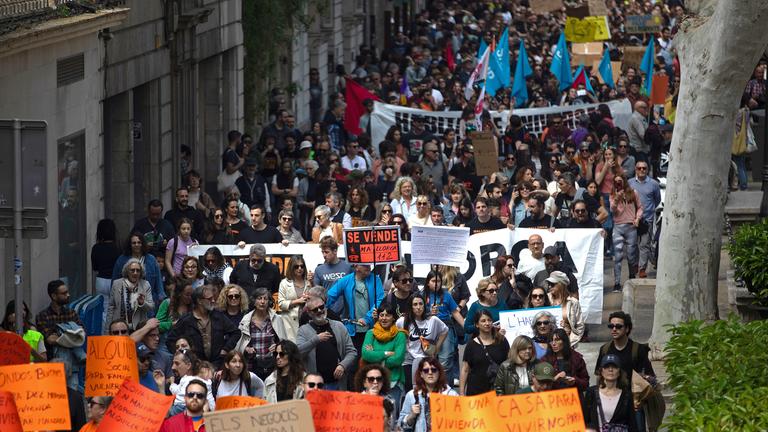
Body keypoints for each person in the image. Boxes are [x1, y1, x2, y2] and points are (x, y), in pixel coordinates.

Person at [166, 285, 239, 367]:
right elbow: (170, 341)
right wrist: (184, 356)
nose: (213, 300)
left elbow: (236, 333)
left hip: (218, 365)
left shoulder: (218, 316)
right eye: (209, 299)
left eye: (213, 298)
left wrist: (226, 349)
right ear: (199, 301)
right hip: (196, 366)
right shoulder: (186, 320)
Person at [296, 296, 357, 390]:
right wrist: (316, 340)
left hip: (337, 383)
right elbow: (298, 353)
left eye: (321, 307)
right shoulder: (303, 330)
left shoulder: (339, 326)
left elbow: (352, 352)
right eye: (315, 309)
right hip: (315, 386)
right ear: (309, 313)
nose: (320, 310)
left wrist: (343, 365)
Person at [326, 263, 384, 354]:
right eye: (364, 265)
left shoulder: (375, 279)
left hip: (372, 328)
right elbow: (329, 296)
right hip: (352, 330)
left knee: (371, 357)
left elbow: (379, 299)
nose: (368, 267)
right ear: (356, 266)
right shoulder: (346, 280)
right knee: (354, 357)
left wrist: (367, 318)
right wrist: (320, 308)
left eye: (369, 264)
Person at [396, 295, 448, 391]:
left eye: (421, 304)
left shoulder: (433, 320)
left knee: (427, 390)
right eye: (415, 304)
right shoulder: (402, 321)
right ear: (411, 306)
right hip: (408, 361)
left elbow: (445, 331)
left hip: (426, 360)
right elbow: (396, 336)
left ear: (424, 305)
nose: (418, 307)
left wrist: (436, 348)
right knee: (411, 390)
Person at [233, 288, 288, 380]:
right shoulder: (246, 320)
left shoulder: (276, 319)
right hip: (251, 364)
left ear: (269, 302)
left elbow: (284, 343)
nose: (262, 302)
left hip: (272, 363)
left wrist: (277, 346)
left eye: (265, 299)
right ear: (254, 301)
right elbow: (239, 344)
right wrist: (246, 348)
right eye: (259, 298)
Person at [361, 303, 406, 409]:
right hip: (372, 381)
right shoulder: (370, 333)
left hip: (393, 382)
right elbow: (365, 354)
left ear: (393, 318)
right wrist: (385, 354)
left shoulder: (400, 335)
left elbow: (397, 359)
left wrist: (374, 356)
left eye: (387, 315)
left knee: (392, 415)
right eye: (381, 315)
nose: (384, 318)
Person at [422, 270, 465, 379]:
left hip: (445, 327)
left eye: (439, 281)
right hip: (427, 328)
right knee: (428, 358)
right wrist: (429, 313)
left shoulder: (446, 295)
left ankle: (445, 385)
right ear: (428, 282)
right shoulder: (422, 295)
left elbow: (455, 312)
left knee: (446, 359)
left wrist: (466, 327)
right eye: (433, 281)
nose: (436, 284)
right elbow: (417, 314)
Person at [397, 358, 457, 432]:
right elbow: (400, 426)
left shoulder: (451, 395)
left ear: (439, 373)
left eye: (434, 370)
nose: (430, 373)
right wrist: (411, 416)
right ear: (421, 374)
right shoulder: (411, 395)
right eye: (426, 370)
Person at [460, 310, 510, 396]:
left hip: (498, 391)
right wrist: (461, 392)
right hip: (476, 392)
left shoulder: (502, 341)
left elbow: (509, 363)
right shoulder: (471, 345)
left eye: (489, 320)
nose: (487, 323)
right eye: (483, 321)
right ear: (477, 324)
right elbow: (465, 369)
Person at [583, 354, 638, 432]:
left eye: (614, 367)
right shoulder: (591, 393)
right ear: (601, 371)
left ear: (619, 372)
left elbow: (632, 424)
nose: (610, 369)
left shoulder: (626, 395)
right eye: (606, 367)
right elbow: (584, 419)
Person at [628, 160, 661, 279]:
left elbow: (657, 199)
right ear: (635, 169)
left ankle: (642, 268)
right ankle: (635, 264)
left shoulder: (654, 184)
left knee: (644, 245)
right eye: (639, 168)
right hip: (632, 219)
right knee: (633, 244)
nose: (641, 170)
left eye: (644, 168)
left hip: (647, 219)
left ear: (647, 170)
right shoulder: (630, 183)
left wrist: (649, 211)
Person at [112, 232, 165, 305]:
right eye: (134, 243)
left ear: (143, 244)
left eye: (139, 242)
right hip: (127, 300)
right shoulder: (121, 260)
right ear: (130, 245)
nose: (136, 245)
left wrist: (161, 297)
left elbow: (158, 280)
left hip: (148, 300)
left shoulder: (151, 260)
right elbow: (115, 280)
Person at [611, 173, 643, 291]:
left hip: (631, 226)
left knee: (631, 255)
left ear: (624, 181)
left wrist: (637, 218)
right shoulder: (613, 195)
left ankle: (631, 277)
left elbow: (640, 207)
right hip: (618, 227)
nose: (618, 183)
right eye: (616, 182)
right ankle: (617, 283)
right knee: (618, 256)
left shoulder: (633, 193)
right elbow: (612, 210)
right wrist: (616, 198)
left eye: (620, 181)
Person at [36, 280, 86, 355]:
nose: (68, 295)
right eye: (64, 293)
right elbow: (50, 339)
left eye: (67, 292)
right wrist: (73, 337)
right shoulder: (43, 316)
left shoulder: (71, 313)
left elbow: (82, 333)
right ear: (54, 296)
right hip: (54, 356)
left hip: (74, 356)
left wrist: (59, 337)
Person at [106, 259, 155, 331]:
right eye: (132, 270)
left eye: (138, 270)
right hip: (119, 328)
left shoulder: (145, 285)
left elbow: (151, 307)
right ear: (127, 271)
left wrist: (142, 303)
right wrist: (107, 330)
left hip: (138, 328)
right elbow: (111, 308)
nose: (135, 273)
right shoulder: (117, 284)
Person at [91, 219, 121, 327]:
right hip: (116, 280)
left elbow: (95, 267)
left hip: (101, 280)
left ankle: (105, 331)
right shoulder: (118, 248)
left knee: (104, 310)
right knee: (117, 308)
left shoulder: (96, 248)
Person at [166, 351, 216, 416]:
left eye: (177, 363)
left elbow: (176, 391)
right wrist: (214, 412)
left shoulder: (186, 378)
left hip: (180, 407)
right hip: (191, 409)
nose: (173, 367)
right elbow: (211, 401)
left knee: (163, 414)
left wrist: (172, 383)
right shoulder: (207, 383)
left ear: (189, 365)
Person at [542, 328, 589, 393]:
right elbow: (541, 385)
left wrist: (575, 381)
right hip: (554, 396)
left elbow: (586, 383)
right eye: (551, 340)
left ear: (564, 341)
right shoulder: (545, 360)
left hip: (572, 396)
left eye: (557, 340)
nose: (553, 343)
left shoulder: (576, 358)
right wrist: (555, 379)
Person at [546, 271, 585, 346]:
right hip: (548, 343)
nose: (549, 286)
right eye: (549, 284)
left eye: (552, 284)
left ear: (561, 285)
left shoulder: (573, 302)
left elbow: (580, 326)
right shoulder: (546, 298)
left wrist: (569, 343)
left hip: (568, 342)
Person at [277, 256, 311, 341]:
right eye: (296, 266)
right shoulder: (284, 283)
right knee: (292, 345)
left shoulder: (308, 282)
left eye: (302, 266)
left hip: (307, 319)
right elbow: (281, 304)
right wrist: (298, 301)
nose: (299, 269)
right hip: (289, 321)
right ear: (291, 267)